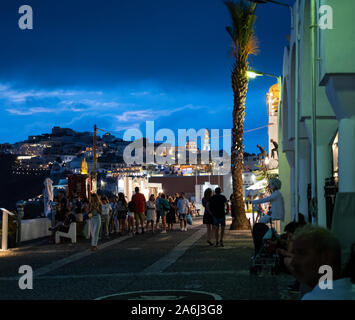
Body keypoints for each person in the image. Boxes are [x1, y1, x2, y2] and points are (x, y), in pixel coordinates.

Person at [289, 224, 355, 300]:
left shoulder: (315, 297)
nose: (293, 262)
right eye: (294, 253)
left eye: (302, 253)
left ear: (326, 257)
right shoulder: (349, 290)